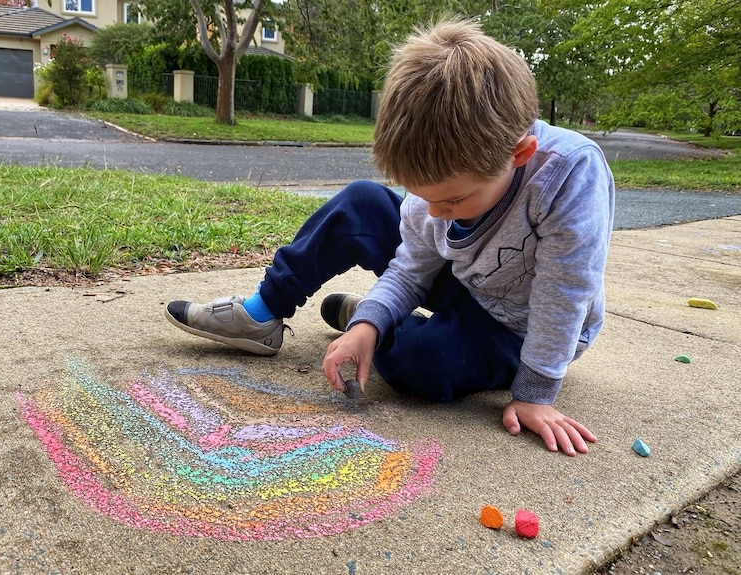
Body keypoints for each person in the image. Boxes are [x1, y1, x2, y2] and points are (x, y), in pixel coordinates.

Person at [165, 17, 614, 457]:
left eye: (452, 201)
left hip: (519, 325)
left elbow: (565, 293)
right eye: (422, 196)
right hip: (465, 281)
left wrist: (535, 391)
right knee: (361, 203)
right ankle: (267, 315)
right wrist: (369, 325)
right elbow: (412, 267)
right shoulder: (439, 190)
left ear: (519, 155)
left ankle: (381, 323)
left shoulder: (567, 175)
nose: (436, 215)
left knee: (423, 362)